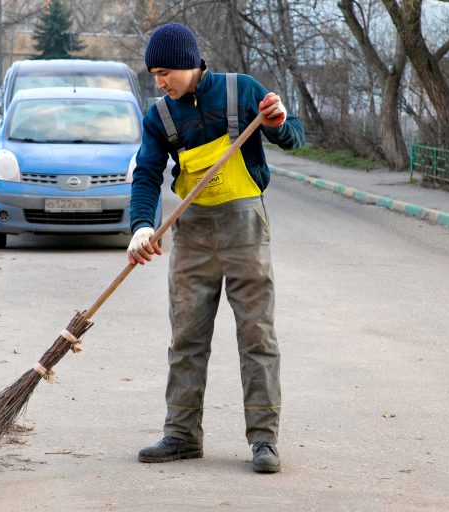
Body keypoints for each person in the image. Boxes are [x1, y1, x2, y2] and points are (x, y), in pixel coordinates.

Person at [127, 22, 305, 473]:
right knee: (186, 338)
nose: (159, 81)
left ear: (189, 62)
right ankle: (182, 435)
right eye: (154, 74)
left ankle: (264, 441)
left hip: (246, 230)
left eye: (164, 71)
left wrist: (280, 121)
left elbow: (294, 136)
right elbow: (146, 175)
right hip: (193, 238)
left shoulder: (241, 90)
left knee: (257, 336)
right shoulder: (159, 117)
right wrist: (142, 227)